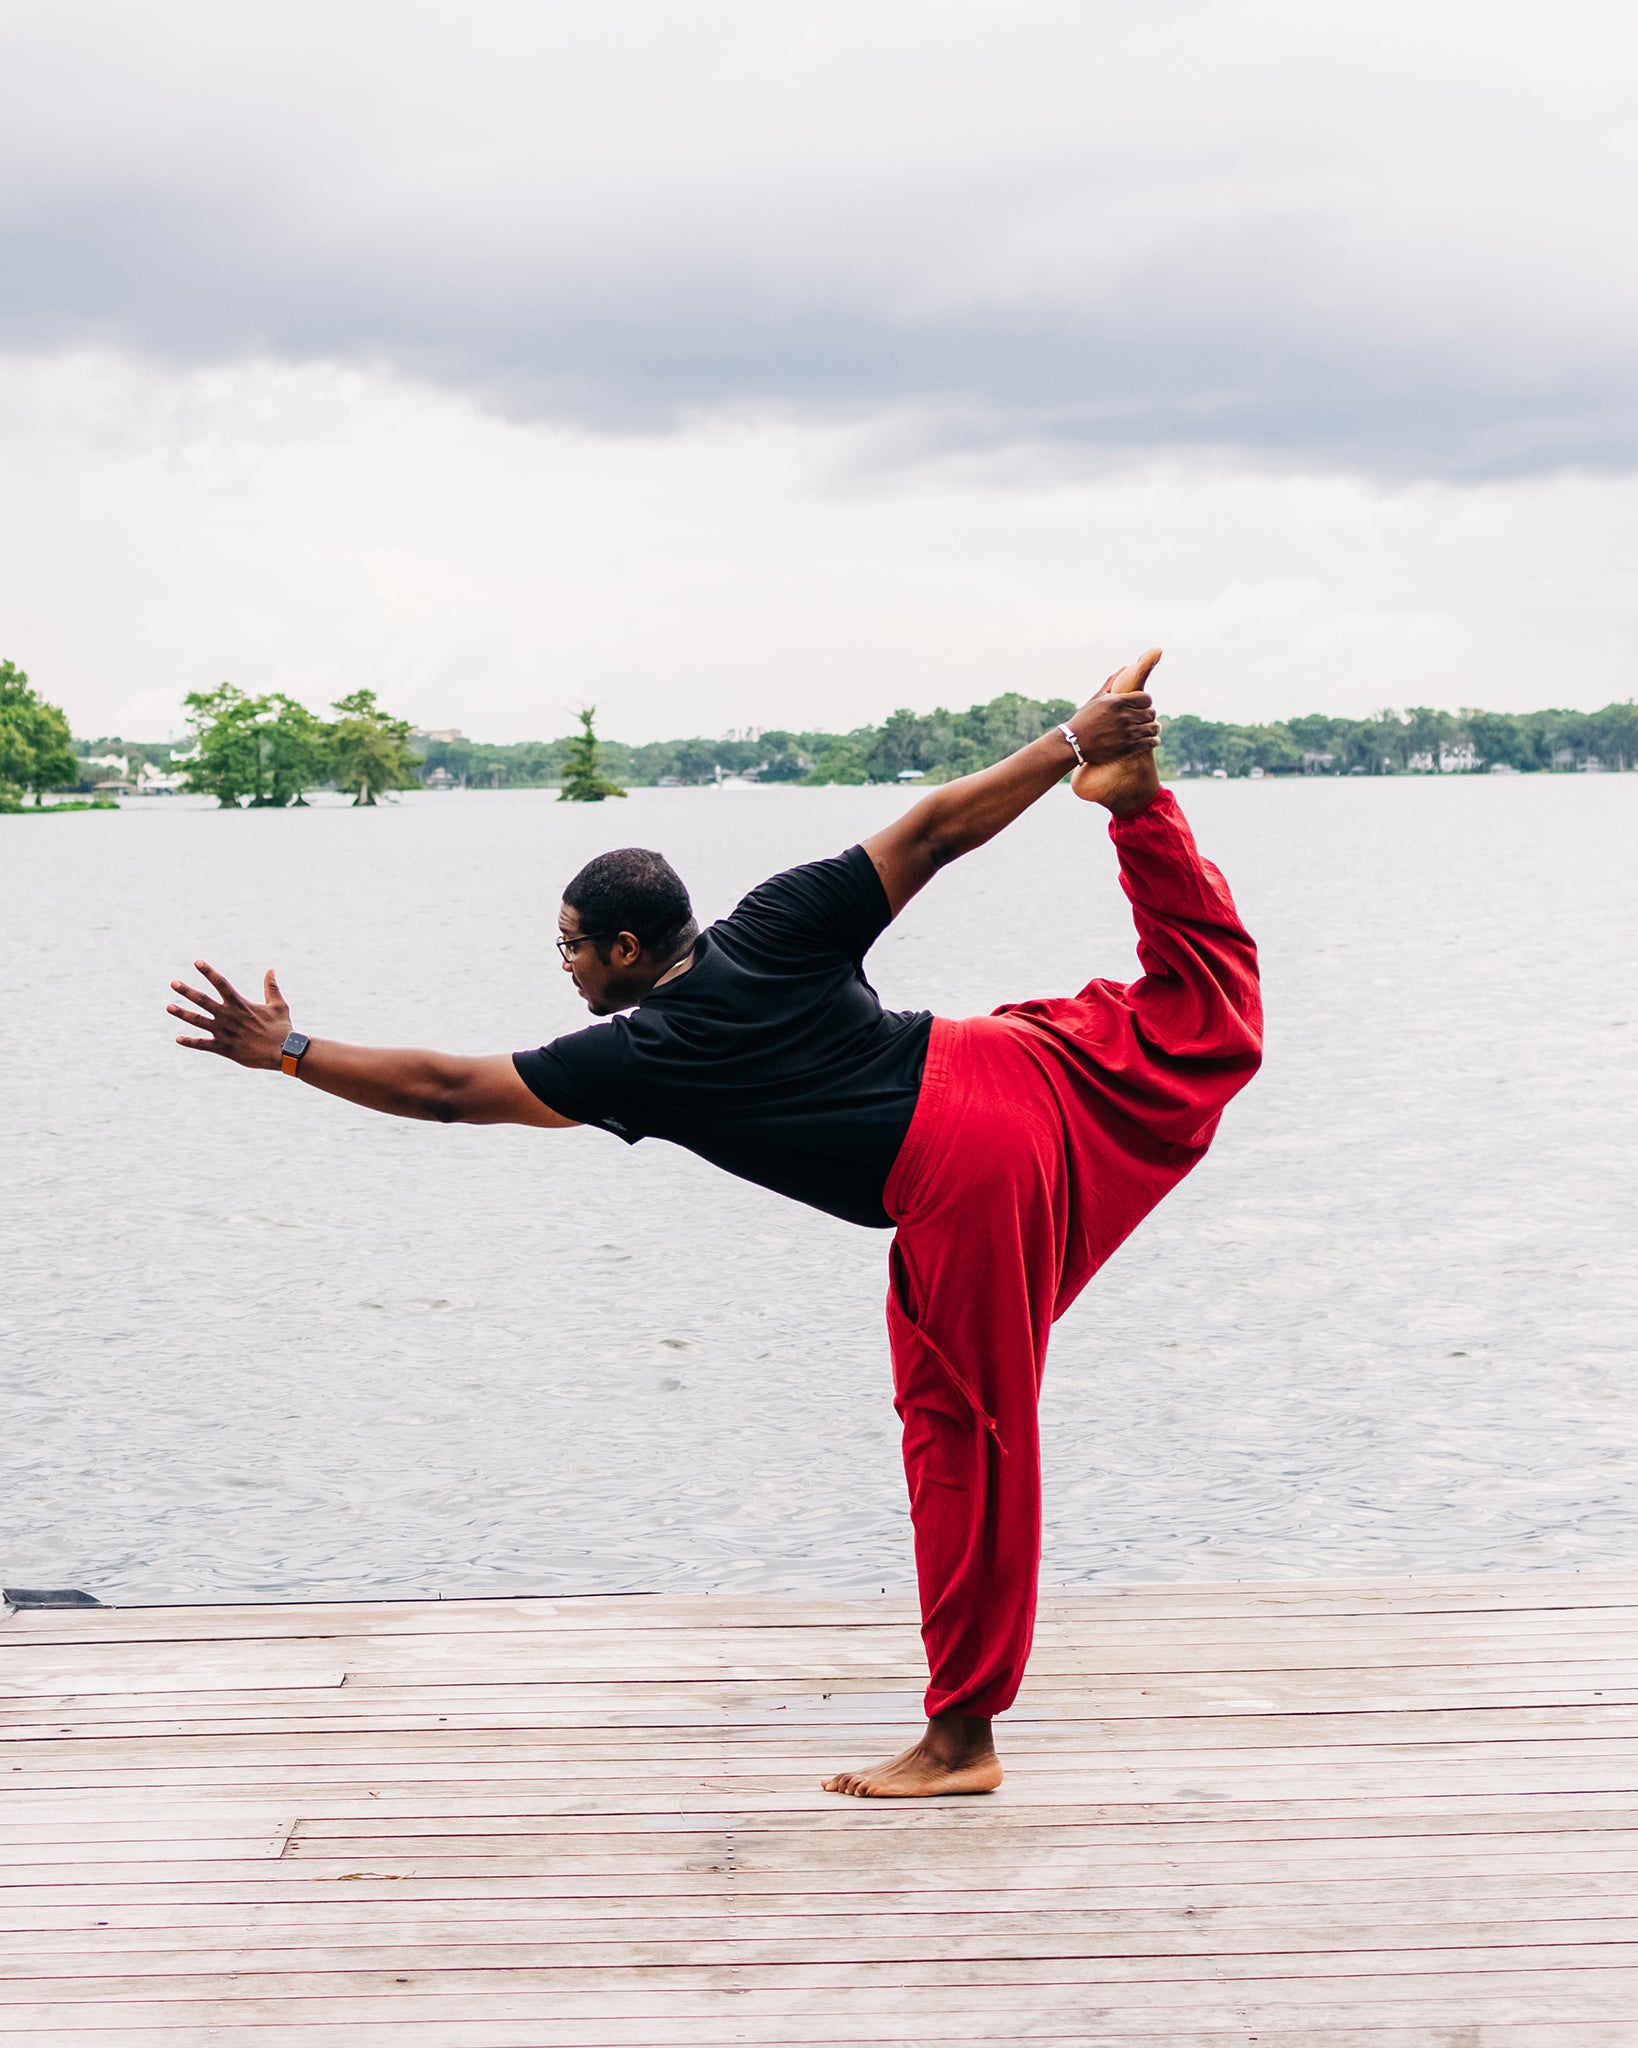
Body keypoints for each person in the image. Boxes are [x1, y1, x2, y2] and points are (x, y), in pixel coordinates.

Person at [167, 649, 1261, 1797]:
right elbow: (934, 831)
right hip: (1017, 1063)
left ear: (626, 950)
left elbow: (447, 1088)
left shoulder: (641, 1053)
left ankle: (962, 1742)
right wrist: (1072, 744)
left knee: (967, 1438)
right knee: (1197, 1018)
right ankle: (1140, 810)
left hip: (967, 1171)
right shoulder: (779, 917)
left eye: (572, 945)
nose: (568, 966)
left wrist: (286, 1049)